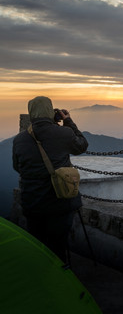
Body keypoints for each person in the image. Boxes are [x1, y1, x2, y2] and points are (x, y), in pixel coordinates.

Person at [12, 96, 88, 263]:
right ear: (50, 111)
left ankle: (39, 277)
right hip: (59, 204)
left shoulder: (19, 139)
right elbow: (82, 145)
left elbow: (17, 167)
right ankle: (59, 277)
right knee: (57, 248)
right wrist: (68, 122)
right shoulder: (63, 133)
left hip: (32, 202)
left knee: (37, 245)